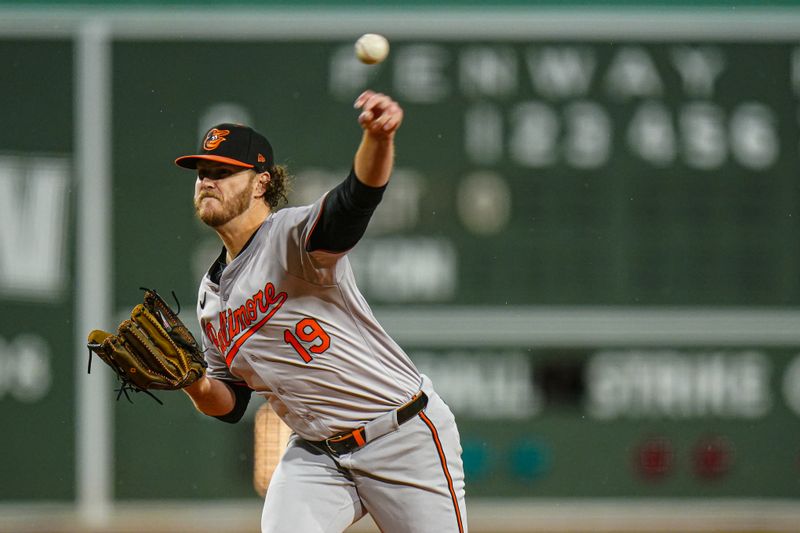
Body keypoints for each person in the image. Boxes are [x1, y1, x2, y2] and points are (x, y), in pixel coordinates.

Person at [173, 90, 467, 533]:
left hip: (401, 436)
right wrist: (194, 383)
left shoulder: (290, 237)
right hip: (317, 455)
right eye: (202, 172)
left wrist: (379, 139)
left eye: (223, 171)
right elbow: (232, 401)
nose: (207, 180)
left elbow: (356, 199)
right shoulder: (209, 298)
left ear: (261, 183)